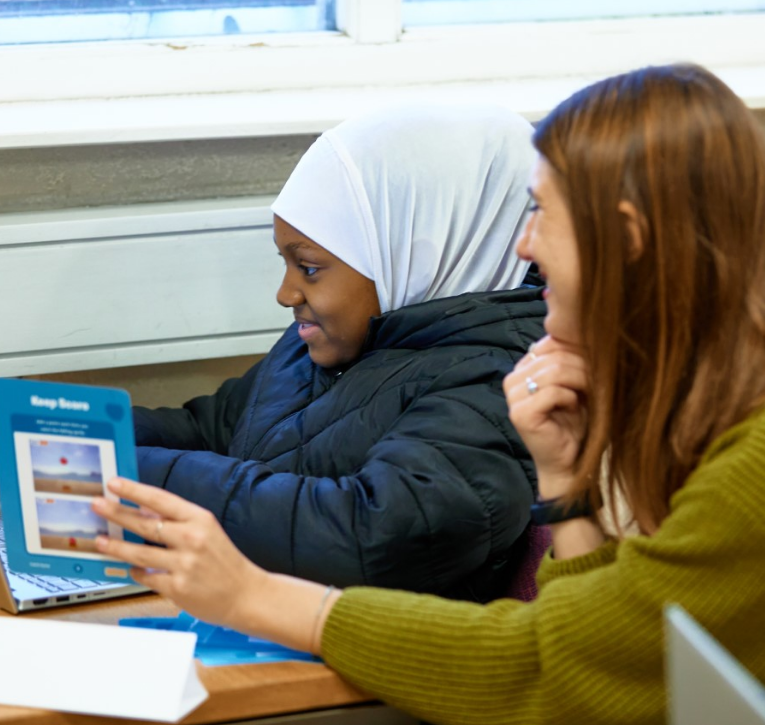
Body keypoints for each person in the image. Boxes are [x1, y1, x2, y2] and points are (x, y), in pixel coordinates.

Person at [93, 62, 765, 724]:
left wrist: (254, 596)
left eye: (542, 214)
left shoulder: (746, 467)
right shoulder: (690, 411)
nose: (525, 244)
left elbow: (545, 666)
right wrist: (566, 485)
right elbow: (593, 649)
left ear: (623, 237)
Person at [129, 102, 547, 603]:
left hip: (375, 670)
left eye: (308, 267)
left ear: (412, 250)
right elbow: (213, 432)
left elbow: (368, 536)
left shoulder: (496, 381)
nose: (286, 293)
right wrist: (50, 430)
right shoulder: (335, 339)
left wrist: (121, 476)